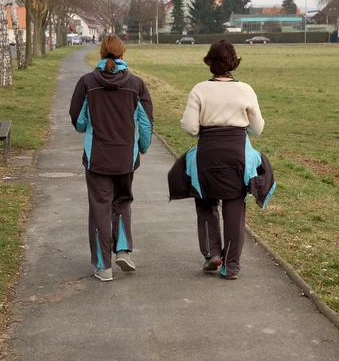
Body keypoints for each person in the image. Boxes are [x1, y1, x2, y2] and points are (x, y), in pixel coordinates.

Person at [167, 40, 275, 280]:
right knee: (235, 208)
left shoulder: (199, 90)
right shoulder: (246, 90)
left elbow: (190, 128)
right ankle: (231, 266)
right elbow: (257, 129)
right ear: (233, 63)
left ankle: (213, 252)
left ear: (210, 62)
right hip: (236, 157)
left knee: (205, 202)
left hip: (208, 156)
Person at [69, 35, 154, 282]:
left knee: (100, 208)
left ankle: (103, 266)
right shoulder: (136, 84)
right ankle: (123, 250)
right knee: (123, 202)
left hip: (97, 158)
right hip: (126, 158)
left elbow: (79, 121)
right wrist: (143, 147)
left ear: (100, 54)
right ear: (123, 55)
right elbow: (145, 123)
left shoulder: (87, 83)